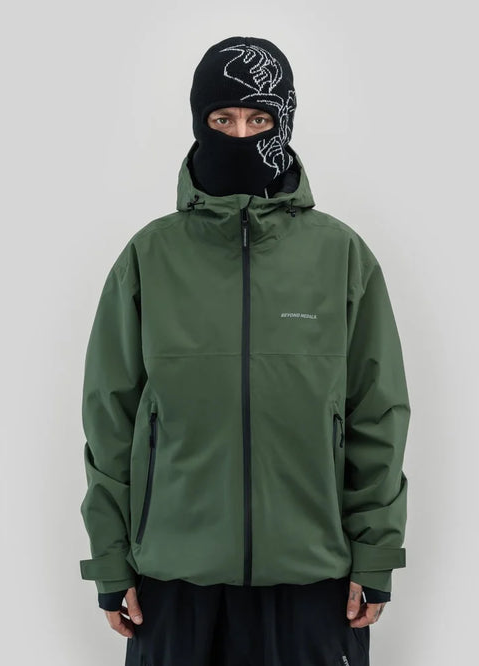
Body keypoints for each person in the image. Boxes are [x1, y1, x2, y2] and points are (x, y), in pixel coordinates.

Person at [79, 35, 411, 666]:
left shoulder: (340, 255)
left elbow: (377, 415)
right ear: (198, 122)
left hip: (314, 577)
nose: (240, 133)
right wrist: (111, 560)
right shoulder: (150, 256)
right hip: (172, 578)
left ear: (284, 122)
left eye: (259, 119)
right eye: (222, 119)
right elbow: (109, 420)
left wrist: (375, 555)